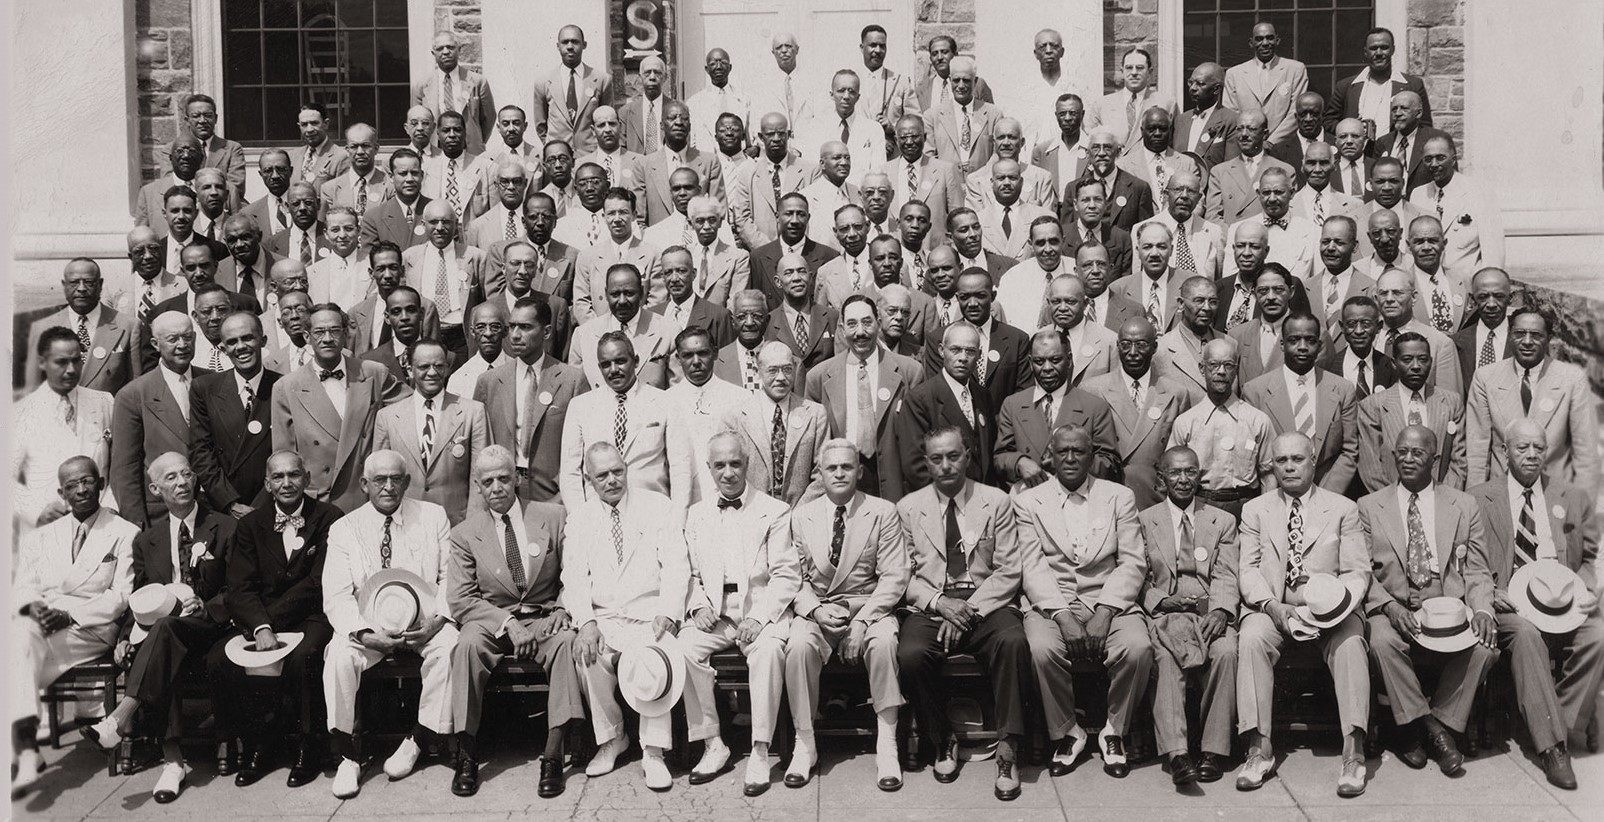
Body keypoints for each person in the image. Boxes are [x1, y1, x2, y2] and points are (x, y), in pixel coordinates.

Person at [83, 453, 234, 803]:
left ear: (195, 480)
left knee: (159, 636)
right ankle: (172, 760)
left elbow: (239, 589)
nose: (181, 482)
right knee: (159, 634)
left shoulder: (225, 527)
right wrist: (123, 637)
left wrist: (206, 605)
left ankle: (123, 721)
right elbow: (139, 597)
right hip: (166, 633)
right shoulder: (146, 540)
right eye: (170, 478)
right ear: (155, 488)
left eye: (186, 475)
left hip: (214, 628)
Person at [896, 427, 1033, 799]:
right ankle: (943, 738)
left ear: (968, 455)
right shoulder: (909, 507)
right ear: (926, 462)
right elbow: (901, 574)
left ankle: (1008, 746)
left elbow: (1009, 570)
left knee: (1013, 641)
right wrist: (941, 604)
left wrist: (967, 611)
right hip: (933, 603)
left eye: (953, 456)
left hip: (985, 601)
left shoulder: (996, 501)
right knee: (910, 654)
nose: (946, 465)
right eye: (936, 458)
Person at [1466, 420, 1603, 790]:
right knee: (1527, 634)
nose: (1530, 455)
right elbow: (1470, 562)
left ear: (1547, 452)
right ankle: (1553, 747)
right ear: (1504, 451)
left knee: (1599, 634)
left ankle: (1556, 716)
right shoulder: (1479, 497)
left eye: (1538, 449)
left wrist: (1586, 586)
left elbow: (1591, 557)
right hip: (1509, 602)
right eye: (1522, 448)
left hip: (1561, 601)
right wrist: (1491, 592)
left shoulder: (1570, 497)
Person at [1236, 432, 1371, 795]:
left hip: (1331, 611)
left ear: (1314, 461)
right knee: (1250, 638)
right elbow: (1247, 569)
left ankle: (1353, 752)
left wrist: (1332, 607)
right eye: (1282, 461)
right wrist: (1273, 607)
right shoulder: (1256, 510)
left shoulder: (1343, 508)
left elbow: (1358, 572)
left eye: (1298, 459)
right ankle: (1258, 748)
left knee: (1351, 644)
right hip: (1275, 607)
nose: (1290, 466)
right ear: (1273, 466)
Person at [1015, 424, 1153, 779]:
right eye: (1063, 452)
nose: (1071, 458)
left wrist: (1105, 611)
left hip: (1108, 597)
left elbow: (1133, 560)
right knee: (1041, 650)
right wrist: (1062, 615)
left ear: (1092, 456)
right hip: (1053, 600)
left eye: (1079, 451)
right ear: (1050, 456)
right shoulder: (1029, 500)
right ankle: (1067, 732)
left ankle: (1114, 730)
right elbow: (1031, 566)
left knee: (1137, 647)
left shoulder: (1118, 496)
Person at [1360, 425, 1496, 778]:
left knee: (1484, 646)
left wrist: (1482, 610)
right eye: (1402, 452)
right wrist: (1389, 607)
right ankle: (1436, 733)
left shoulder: (1464, 505)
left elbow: (1478, 570)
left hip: (1448, 606)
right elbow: (1361, 573)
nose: (1407, 459)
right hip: (1392, 606)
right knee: (1381, 640)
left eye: (1417, 453)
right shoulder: (1369, 506)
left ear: (1435, 460)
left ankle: (1420, 727)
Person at [446, 445, 580, 798]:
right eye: (487, 481)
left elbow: (576, 573)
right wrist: (507, 623)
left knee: (566, 642)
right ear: (477, 485)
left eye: (504, 478)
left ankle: (553, 751)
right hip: (491, 620)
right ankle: (467, 751)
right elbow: (461, 600)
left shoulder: (553, 516)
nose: (497, 487)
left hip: (544, 615)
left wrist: (565, 608)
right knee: (466, 646)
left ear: (517, 478)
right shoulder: (464, 533)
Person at [321, 451, 457, 798]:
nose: (389, 486)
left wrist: (435, 622)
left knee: (451, 647)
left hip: (424, 624)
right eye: (379, 480)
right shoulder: (344, 528)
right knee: (338, 655)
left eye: (396, 479)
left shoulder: (432, 516)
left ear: (407, 482)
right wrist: (367, 635)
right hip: (370, 629)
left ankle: (418, 739)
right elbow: (336, 596)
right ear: (365, 484)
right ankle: (348, 756)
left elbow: (449, 578)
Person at [563, 442, 691, 791]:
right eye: (602, 475)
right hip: (605, 618)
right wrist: (586, 623)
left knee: (655, 660)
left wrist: (668, 611)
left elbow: (677, 566)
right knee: (588, 656)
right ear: (589, 480)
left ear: (626, 469)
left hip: (650, 614)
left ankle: (653, 751)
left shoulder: (657, 506)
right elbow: (573, 576)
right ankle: (613, 738)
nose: (612, 480)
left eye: (617, 471)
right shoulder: (580, 519)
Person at [783, 439, 909, 790]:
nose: (839, 473)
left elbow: (895, 575)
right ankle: (804, 742)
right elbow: (794, 578)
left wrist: (863, 621)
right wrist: (815, 611)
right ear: (819, 474)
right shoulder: (800, 516)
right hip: (819, 609)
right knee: (797, 646)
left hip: (868, 606)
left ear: (860, 471)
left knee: (884, 642)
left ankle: (887, 743)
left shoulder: (882, 511)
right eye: (831, 467)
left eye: (847, 466)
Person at [677, 433, 799, 795]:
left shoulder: (774, 511)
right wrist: (698, 605)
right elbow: (691, 573)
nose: (728, 473)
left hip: (758, 610)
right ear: (709, 469)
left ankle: (761, 749)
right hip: (716, 613)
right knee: (683, 648)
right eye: (720, 466)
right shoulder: (696, 515)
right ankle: (713, 743)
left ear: (747, 464)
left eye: (735, 464)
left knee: (767, 652)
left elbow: (786, 574)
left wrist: (759, 618)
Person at [10, 456, 137, 796]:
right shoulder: (43, 536)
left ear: (101, 482)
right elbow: (24, 585)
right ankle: (23, 747)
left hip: (91, 628)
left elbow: (122, 595)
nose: (81, 489)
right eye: (72, 485)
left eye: (87, 481)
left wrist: (68, 615)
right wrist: (36, 609)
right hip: (44, 625)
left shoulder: (124, 532)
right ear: (61, 492)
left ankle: (23, 747)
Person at [213, 450, 340, 787]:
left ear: (307, 479)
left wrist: (271, 621)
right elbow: (239, 586)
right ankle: (257, 745)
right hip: (260, 619)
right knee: (221, 661)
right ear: (267, 484)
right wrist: (261, 626)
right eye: (278, 477)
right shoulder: (251, 524)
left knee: (304, 657)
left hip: (311, 614)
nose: (287, 483)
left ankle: (307, 747)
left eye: (294, 475)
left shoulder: (329, 517)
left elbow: (319, 582)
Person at [1138, 445, 1240, 785]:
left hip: (1208, 611)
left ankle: (1213, 750)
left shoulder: (1221, 520)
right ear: (1162, 478)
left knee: (1225, 653)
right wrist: (1158, 601)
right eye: (1176, 473)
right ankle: (1178, 754)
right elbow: (1137, 575)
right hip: (1166, 611)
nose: (1183, 479)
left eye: (1190, 472)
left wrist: (1222, 610)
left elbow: (1227, 572)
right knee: (1165, 660)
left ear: (1200, 475)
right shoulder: (1145, 520)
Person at [270, 304, 403, 512]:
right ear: (306, 337)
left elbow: (409, 413)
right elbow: (283, 456)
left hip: (367, 496)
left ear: (346, 334)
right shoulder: (286, 387)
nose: (327, 338)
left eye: (334, 330)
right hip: (318, 502)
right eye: (319, 332)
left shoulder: (374, 373)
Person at [804, 296, 923, 501]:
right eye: (852, 324)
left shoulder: (910, 372)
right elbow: (813, 447)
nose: (860, 332)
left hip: (894, 482)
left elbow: (918, 439)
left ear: (878, 322)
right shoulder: (819, 377)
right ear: (841, 329)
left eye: (867, 322)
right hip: (841, 481)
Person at [1466, 309, 1599, 488]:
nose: (1527, 342)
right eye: (1519, 334)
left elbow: (1585, 454)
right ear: (1509, 334)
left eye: (1536, 335)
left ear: (1549, 338)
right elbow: (1477, 452)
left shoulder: (1572, 379)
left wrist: (1581, 510)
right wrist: (1478, 503)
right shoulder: (1485, 378)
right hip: (1503, 491)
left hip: (1554, 494)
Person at [559, 332, 693, 508]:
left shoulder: (665, 403)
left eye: (620, 361)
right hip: (599, 515)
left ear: (636, 361)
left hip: (652, 512)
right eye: (606, 365)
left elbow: (680, 468)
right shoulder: (581, 406)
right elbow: (570, 472)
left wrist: (677, 521)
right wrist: (580, 520)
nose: (614, 370)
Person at [475, 298, 589, 503]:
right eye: (512, 327)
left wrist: (564, 497)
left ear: (546, 332)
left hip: (553, 495)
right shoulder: (489, 382)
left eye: (525, 327)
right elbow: (480, 447)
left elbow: (584, 447)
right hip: (503, 493)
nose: (515, 335)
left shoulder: (571, 380)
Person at [374, 339, 490, 526]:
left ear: (447, 368)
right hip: (405, 523)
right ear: (410, 370)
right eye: (424, 366)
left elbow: (481, 477)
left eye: (438, 366)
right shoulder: (387, 417)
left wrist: (473, 528)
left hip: (456, 525)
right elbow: (379, 478)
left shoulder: (473, 412)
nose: (432, 372)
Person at [1241, 312, 1360, 492]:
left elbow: (1350, 450)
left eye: (1310, 340)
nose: (1302, 347)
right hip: (1276, 493)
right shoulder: (1255, 391)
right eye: (1294, 340)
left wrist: (1325, 496)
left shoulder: (1342, 389)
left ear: (1320, 345)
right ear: (1282, 344)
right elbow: (1252, 453)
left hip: (1327, 491)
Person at [13, 328, 117, 534]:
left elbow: (120, 465)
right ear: (43, 362)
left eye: (76, 360)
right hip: (48, 527)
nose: (71, 369)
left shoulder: (104, 402)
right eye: (61, 362)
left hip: (102, 523)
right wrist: (36, 511)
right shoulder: (21, 412)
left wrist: (111, 507)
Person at [1083, 316, 1194, 508]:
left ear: (1155, 347)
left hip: (1155, 498)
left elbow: (1181, 453)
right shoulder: (1092, 390)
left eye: (1141, 344)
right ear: (1117, 346)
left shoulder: (1176, 393)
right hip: (1108, 495)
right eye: (1126, 344)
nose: (1133, 352)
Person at [993, 326, 1120, 490]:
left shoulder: (1094, 407)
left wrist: (1069, 463)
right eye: (1039, 362)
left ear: (1069, 360)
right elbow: (1000, 457)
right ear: (1030, 363)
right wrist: (1019, 463)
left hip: (1078, 501)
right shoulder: (1013, 404)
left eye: (1055, 360)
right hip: (1029, 501)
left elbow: (1110, 463)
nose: (1046, 368)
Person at [111, 312, 206, 529]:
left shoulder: (212, 383)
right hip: (161, 516)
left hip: (212, 513)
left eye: (187, 337)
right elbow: (124, 470)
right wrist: (137, 525)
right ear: (155, 343)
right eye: (173, 339)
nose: (182, 345)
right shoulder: (134, 394)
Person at [1167, 338, 1274, 518]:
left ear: (1236, 368)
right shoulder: (1185, 422)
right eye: (1214, 365)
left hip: (1246, 507)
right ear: (1202, 368)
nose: (1221, 372)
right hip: (1200, 506)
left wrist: (1264, 517)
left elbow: (1269, 475)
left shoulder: (1258, 420)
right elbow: (1174, 474)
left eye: (1228, 365)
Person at [190, 312, 279, 516]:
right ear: (223, 348)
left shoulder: (282, 386)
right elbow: (201, 452)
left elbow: (288, 449)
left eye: (247, 338)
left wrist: (260, 507)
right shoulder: (205, 388)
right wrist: (229, 503)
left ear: (262, 340)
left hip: (271, 503)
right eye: (232, 342)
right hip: (225, 508)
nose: (240, 347)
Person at [719, 341, 828, 505]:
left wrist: (798, 514)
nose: (781, 378)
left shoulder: (815, 414)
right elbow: (728, 473)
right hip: (753, 514)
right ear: (758, 372)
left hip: (800, 517)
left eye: (787, 369)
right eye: (773, 370)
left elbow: (823, 472)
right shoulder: (735, 418)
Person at [1357, 332, 1467, 492]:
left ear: (1431, 362)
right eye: (1407, 360)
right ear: (1394, 363)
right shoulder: (1373, 406)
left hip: (1441, 502)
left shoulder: (1451, 402)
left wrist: (1441, 500)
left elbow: (1459, 462)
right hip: (1391, 505)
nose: (1416, 366)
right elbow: (1371, 468)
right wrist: (1398, 503)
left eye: (1422, 359)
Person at [898, 322, 996, 491]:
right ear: (942, 350)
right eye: (956, 350)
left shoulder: (983, 395)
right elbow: (915, 466)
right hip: (943, 502)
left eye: (970, 351)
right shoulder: (920, 399)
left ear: (979, 354)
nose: (963, 358)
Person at [24, 259, 139, 395]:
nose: (82, 288)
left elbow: (134, 391)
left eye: (89, 282)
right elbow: (33, 390)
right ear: (64, 285)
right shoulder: (42, 328)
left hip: (106, 414)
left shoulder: (128, 326)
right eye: (74, 283)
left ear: (100, 285)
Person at [922, 269, 1032, 412]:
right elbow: (938, 394)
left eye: (980, 296)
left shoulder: (1017, 340)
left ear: (993, 296)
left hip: (1003, 428)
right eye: (965, 297)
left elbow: (1023, 395)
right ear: (957, 298)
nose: (972, 303)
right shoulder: (938, 339)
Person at [663, 326, 747, 503]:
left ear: (715, 353)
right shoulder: (666, 401)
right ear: (678, 358)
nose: (696, 361)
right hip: (683, 500)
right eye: (687, 355)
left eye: (703, 353)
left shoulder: (740, 398)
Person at [404, 200, 496, 354]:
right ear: (423, 224)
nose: (440, 228)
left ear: (455, 224)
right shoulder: (409, 258)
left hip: (462, 336)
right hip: (425, 334)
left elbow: (489, 301)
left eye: (446, 222)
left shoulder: (477, 257)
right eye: (433, 222)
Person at [1410, 135, 1505, 279]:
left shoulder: (1479, 192)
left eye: (1440, 158)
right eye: (1428, 159)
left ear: (1453, 160)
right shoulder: (1418, 195)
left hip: (1467, 287)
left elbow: (1493, 252)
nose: (1434, 164)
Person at [570, 263, 675, 389]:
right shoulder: (583, 335)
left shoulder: (669, 330)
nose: (622, 301)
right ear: (606, 294)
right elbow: (578, 392)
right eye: (615, 294)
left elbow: (676, 394)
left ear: (641, 293)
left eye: (629, 293)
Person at [572, 187, 662, 325]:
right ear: (604, 217)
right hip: (599, 335)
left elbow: (656, 301)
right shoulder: (587, 256)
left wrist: (634, 328)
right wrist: (600, 332)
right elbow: (581, 303)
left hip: (640, 332)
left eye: (623, 212)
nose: (617, 219)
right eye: (611, 213)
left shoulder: (653, 254)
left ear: (634, 215)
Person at [729, 113, 817, 251]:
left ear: (788, 135)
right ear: (760, 137)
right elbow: (742, 219)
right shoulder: (747, 172)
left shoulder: (810, 171)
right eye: (770, 134)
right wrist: (770, 251)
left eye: (781, 134)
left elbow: (815, 217)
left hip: (802, 254)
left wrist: (797, 250)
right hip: (762, 255)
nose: (776, 139)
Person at [1325, 27, 1432, 139]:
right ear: (1365, 52)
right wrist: (1350, 129)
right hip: (1359, 154)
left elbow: (1425, 126)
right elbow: (1328, 121)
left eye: (1384, 47)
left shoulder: (1413, 85)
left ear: (1393, 50)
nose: (1379, 53)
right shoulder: (1345, 86)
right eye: (1373, 48)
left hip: (1397, 152)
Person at [1373, 269, 1464, 396]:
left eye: (1397, 293)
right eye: (1383, 293)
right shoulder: (1366, 339)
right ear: (1376, 299)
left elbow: (1450, 403)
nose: (1389, 299)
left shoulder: (1440, 344)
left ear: (1414, 297)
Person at [882, 115, 965, 248]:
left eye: (915, 136)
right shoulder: (883, 173)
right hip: (895, 254)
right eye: (903, 138)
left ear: (925, 137)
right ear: (896, 140)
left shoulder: (945, 170)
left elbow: (959, 219)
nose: (909, 142)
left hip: (936, 253)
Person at [349, 242, 444, 358]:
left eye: (393, 268)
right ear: (371, 273)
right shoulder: (358, 312)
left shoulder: (425, 307)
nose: (388, 275)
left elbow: (435, 353)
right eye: (381, 269)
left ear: (402, 270)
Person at [641, 102, 728, 226]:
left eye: (684, 119)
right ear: (661, 126)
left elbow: (719, 212)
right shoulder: (645, 165)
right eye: (672, 118)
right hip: (659, 241)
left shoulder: (709, 161)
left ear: (690, 126)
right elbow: (639, 220)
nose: (679, 122)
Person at [747, 192, 838, 309]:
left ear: (808, 218)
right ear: (777, 216)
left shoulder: (829, 256)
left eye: (801, 214)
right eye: (788, 214)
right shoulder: (758, 257)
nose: (794, 220)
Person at [1222, 22, 1308, 145]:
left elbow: (1295, 112)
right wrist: (1250, 139)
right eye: (1259, 39)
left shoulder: (1295, 69)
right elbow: (1231, 113)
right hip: (1246, 146)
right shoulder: (1234, 74)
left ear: (1277, 40)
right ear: (1251, 43)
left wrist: (1271, 142)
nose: (1265, 43)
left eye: (1270, 38)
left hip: (1282, 147)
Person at [531, 25, 612, 155]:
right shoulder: (543, 82)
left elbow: (606, 118)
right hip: (558, 158)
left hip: (591, 154)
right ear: (558, 46)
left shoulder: (602, 80)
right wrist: (551, 147)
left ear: (584, 45)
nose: (569, 46)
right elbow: (541, 124)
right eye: (565, 42)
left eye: (575, 42)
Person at [152, 93, 247, 204]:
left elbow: (235, 189)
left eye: (208, 115)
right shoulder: (170, 149)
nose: (202, 120)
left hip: (220, 208)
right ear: (187, 120)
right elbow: (169, 185)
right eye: (196, 116)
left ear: (215, 118)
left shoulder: (232, 149)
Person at [1226, 167, 1317, 281]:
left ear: (1292, 193)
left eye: (1278, 192)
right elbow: (1230, 280)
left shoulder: (1311, 230)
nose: (1272, 199)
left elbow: (1316, 281)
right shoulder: (1237, 230)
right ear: (1258, 194)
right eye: (1266, 192)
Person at [1133, 171, 1225, 282]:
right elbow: (1137, 279)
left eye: (1191, 191)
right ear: (1166, 194)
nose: (1184, 196)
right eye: (1178, 190)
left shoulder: (1213, 232)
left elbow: (1219, 281)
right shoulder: (1143, 230)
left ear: (1199, 197)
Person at [414, 32, 495, 154]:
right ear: (433, 53)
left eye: (450, 47)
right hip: (436, 152)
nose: (445, 52)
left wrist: (474, 141)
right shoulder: (421, 86)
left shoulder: (477, 82)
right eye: (440, 48)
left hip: (469, 152)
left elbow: (488, 119)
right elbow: (416, 121)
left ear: (459, 49)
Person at [802, 69, 885, 188]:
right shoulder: (816, 127)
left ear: (858, 97)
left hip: (859, 198)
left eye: (851, 92)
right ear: (831, 94)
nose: (846, 96)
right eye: (841, 91)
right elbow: (811, 171)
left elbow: (878, 174)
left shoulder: (873, 130)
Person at [1205, 111, 1290, 225]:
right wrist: (1234, 237)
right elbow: (1212, 217)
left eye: (1251, 129)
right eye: (1240, 129)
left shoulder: (1285, 171)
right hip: (1231, 240)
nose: (1244, 134)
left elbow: (1288, 215)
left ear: (1265, 134)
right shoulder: (1219, 172)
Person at [1086, 47, 1177, 152]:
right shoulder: (1102, 105)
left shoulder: (1166, 103)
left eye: (1140, 68)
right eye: (1129, 67)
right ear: (1122, 71)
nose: (1134, 72)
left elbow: (1174, 144)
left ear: (1149, 71)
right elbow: (1092, 144)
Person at [923, 56, 1000, 175]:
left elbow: (998, 154)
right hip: (948, 185)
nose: (961, 85)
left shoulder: (993, 114)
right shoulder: (932, 116)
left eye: (966, 80)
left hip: (983, 185)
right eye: (956, 80)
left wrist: (981, 179)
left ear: (975, 81)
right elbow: (929, 158)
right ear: (949, 80)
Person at [764, 250, 838, 372]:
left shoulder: (833, 317)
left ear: (810, 277)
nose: (797, 278)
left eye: (801, 271)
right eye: (788, 273)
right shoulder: (769, 322)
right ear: (778, 281)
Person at [966, 118, 1058, 212]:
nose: (1006, 143)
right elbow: (974, 221)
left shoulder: (1042, 178)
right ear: (994, 143)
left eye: (1012, 137)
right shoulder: (976, 180)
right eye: (1001, 137)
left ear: (1022, 143)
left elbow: (1048, 221)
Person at [1152, 275, 1221, 402]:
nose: (1207, 308)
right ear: (1181, 304)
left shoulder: (1229, 343)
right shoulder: (1161, 350)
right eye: (1199, 301)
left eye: (1212, 302)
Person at [1226, 265, 1297, 385]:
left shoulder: (1313, 334)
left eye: (1278, 290)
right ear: (1254, 294)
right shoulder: (1237, 336)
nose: (1271, 297)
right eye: (1263, 291)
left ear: (1291, 291)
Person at [1305, 216, 1374, 339]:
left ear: (1355, 246)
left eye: (1339, 242)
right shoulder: (1305, 288)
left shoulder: (1371, 288)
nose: (1330, 248)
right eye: (1325, 242)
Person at [1319, 295, 1398, 400]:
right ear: (1342, 327)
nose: (1358, 331)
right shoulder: (1326, 368)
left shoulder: (1392, 368)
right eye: (1351, 324)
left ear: (1378, 327)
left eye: (1366, 324)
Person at [1110, 222, 1182, 330]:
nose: (1154, 253)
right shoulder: (1118, 290)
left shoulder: (1188, 284)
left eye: (1161, 247)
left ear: (1171, 250)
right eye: (1147, 247)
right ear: (1137, 251)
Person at [424, 111, 492, 225]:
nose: (452, 135)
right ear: (438, 134)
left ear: (465, 133)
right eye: (446, 130)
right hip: (439, 234)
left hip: (471, 235)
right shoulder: (427, 168)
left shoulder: (485, 167)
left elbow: (493, 213)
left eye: (457, 130)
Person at [1079, 129, 1154, 231]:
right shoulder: (1074, 188)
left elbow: (1146, 233)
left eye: (1108, 148)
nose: (1101, 153)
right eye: (1096, 148)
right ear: (1087, 154)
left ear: (1118, 152)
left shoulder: (1138, 188)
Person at [1372, 91, 1446, 195]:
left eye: (1404, 108)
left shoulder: (1435, 139)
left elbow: (1448, 178)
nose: (1397, 113)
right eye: (1394, 109)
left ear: (1418, 113)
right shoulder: (1383, 142)